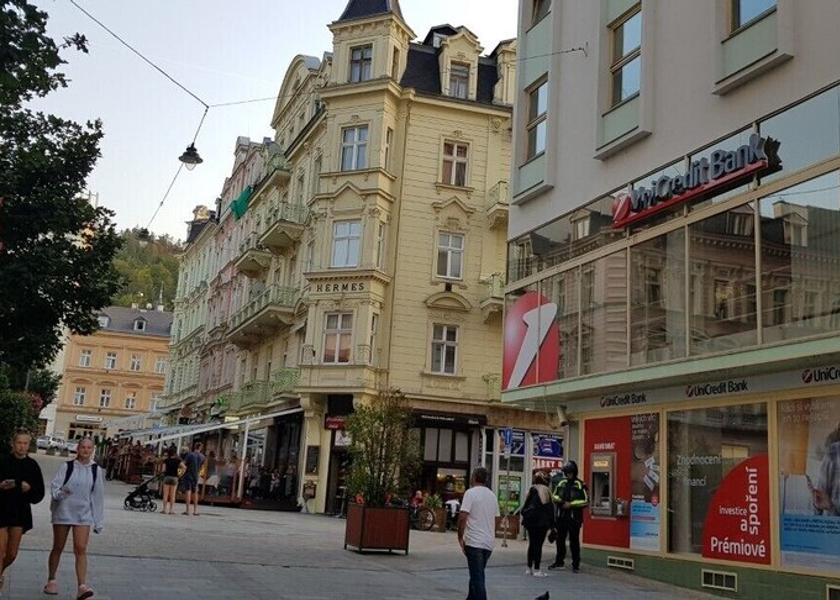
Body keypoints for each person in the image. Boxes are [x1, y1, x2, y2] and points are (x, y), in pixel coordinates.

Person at [44, 437, 104, 599]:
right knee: (58, 546)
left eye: (89, 448)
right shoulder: (67, 466)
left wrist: (98, 521)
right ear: (77, 449)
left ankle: (82, 586)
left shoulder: (95, 470)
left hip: (83, 515)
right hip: (63, 512)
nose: (85, 450)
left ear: (92, 450)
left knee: (81, 548)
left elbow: (97, 497)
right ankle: (51, 579)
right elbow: (55, 487)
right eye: (83, 447)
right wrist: (62, 493)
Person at [0, 429, 45, 594]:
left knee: (11, 553)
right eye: (19, 443)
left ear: (29, 445)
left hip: (20, 512)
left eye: (25, 443)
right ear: (13, 444)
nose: (22, 446)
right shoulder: (3, 461)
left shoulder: (32, 465)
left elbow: (39, 494)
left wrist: (28, 488)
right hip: (1, 509)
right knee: (0, 548)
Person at [457, 467, 499, 600]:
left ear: (474, 477)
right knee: (476, 574)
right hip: (488, 543)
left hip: (474, 542)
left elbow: (463, 516)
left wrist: (460, 536)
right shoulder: (492, 495)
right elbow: (496, 519)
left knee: (477, 578)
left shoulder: (470, 493)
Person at [549, 461, 589, 573]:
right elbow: (554, 496)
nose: (568, 474)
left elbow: (585, 501)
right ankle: (559, 561)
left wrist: (571, 504)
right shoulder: (561, 483)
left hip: (574, 518)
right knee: (560, 540)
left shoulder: (580, 484)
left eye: (570, 472)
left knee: (574, 541)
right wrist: (561, 501)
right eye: (567, 472)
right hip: (562, 516)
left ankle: (575, 564)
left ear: (574, 472)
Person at [521, 471, 554, 577]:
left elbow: (525, 506)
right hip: (541, 522)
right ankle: (537, 569)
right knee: (538, 545)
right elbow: (550, 508)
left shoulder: (531, 489)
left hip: (530, 522)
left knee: (531, 544)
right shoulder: (546, 490)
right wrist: (553, 525)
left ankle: (529, 568)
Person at [181, 442, 205, 516]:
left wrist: (183, 468)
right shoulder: (202, 457)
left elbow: (183, 463)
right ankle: (195, 511)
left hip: (188, 475)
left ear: (194, 447)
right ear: (200, 448)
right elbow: (201, 467)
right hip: (196, 476)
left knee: (188, 491)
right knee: (195, 492)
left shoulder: (190, 455)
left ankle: (187, 510)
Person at [160, 446, 182, 515]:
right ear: (175, 453)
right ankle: (171, 510)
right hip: (174, 478)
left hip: (167, 477)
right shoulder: (178, 460)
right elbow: (184, 467)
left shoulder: (166, 460)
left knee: (165, 494)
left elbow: (163, 469)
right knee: (172, 495)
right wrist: (180, 474)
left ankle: (164, 509)